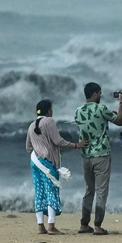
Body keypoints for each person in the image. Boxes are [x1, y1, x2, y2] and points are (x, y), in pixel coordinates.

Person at [25, 99, 87, 235]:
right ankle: (51, 226)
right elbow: (58, 140)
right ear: (48, 110)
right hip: (47, 163)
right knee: (51, 192)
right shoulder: (49, 121)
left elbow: (29, 147)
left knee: (40, 193)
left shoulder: (31, 126)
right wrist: (76, 145)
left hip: (35, 162)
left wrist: (49, 149)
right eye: (51, 109)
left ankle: (40, 226)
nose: (52, 112)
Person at [74, 82, 122, 235]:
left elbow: (91, 123)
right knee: (101, 190)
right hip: (101, 154)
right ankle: (97, 225)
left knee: (89, 190)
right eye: (100, 93)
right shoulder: (101, 109)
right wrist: (121, 103)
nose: (101, 96)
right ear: (95, 94)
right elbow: (120, 121)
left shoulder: (78, 111)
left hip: (86, 156)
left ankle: (84, 224)